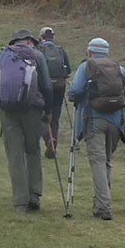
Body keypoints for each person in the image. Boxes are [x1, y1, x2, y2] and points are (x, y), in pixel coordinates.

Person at [67, 37, 125, 221]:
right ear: (107, 52)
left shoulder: (86, 67)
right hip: (116, 121)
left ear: (89, 51)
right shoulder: (119, 69)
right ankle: (100, 204)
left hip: (94, 119)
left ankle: (105, 207)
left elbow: (74, 92)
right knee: (106, 162)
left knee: (98, 163)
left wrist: (75, 95)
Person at [0, 29, 53, 213]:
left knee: (14, 154)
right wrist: (48, 111)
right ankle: (34, 195)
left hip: (7, 110)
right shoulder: (37, 55)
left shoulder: (2, 54)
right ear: (30, 40)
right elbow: (46, 86)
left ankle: (20, 202)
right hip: (32, 109)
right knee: (33, 149)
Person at [37, 26, 72, 159]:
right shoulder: (60, 50)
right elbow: (68, 70)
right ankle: (53, 146)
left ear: (41, 38)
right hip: (59, 87)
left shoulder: (38, 50)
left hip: (43, 87)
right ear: (53, 37)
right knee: (55, 117)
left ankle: (48, 139)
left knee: (41, 114)